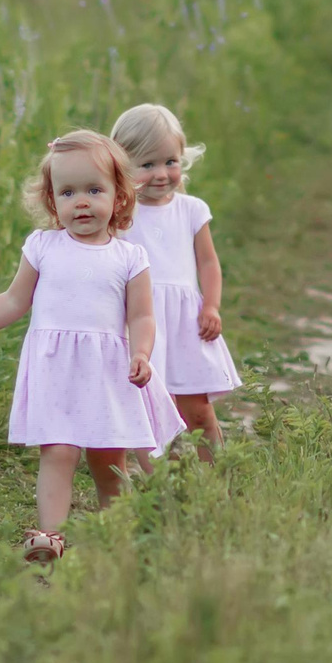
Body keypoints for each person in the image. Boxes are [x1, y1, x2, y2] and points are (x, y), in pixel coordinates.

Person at [0, 130, 178, 564]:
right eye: (68, 192)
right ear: (51, 201)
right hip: (56, 371)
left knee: (107, 457)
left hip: (107, 373)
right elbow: (12, 300)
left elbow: (141, 316)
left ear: (119, 197)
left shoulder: (130, 257)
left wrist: (141, 352)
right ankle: (49, 536)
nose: (81, 202)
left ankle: (116, 532)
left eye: (94, 190)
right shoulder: (43, 247)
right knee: (58, 452)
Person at [112, 102, 240, 461]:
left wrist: (211, 305)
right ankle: (163, 486)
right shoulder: (121, 215)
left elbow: (208, 262)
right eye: (147, 164)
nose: (161, 173)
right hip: (141, 322)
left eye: (171, 161)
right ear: (122, 166)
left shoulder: (191, 210)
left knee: (196, 408)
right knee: (148, 409)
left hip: (185, 324)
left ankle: (218, 478)